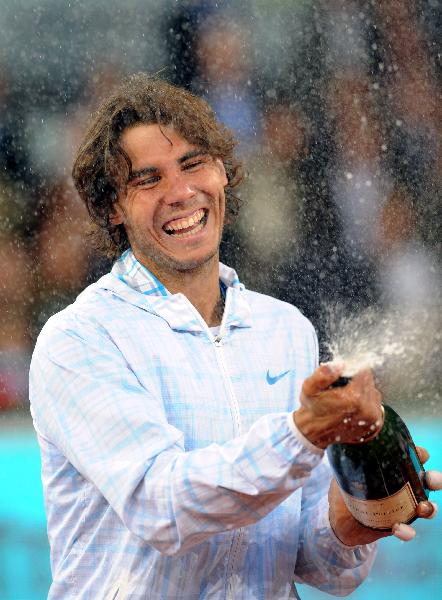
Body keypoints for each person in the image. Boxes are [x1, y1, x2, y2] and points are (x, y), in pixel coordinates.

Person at [29, 74, 441, 600]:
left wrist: (357, 512)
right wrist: (304, 432)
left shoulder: (286, 329)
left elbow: (321, 564)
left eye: (193, 163)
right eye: (148, 179)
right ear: (113, 207)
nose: (180, 193)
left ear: (222, 171)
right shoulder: (79, 340)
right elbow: (164, 508)